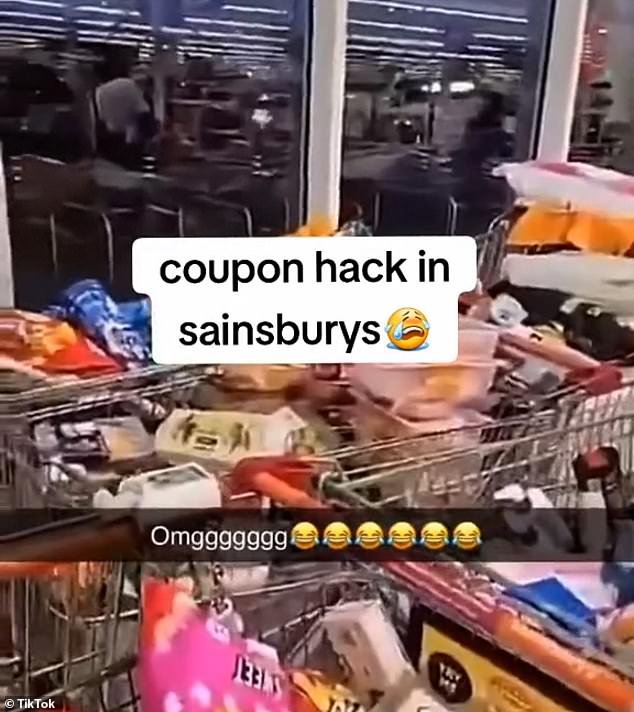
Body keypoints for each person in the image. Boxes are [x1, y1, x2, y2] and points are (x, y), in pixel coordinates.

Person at [94, 59, 156, 171]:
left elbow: (100, 115)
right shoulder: (132, 88)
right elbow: (144, 115)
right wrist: (150, 137)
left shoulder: (101, 89)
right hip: (124, 143)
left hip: (103, 139)